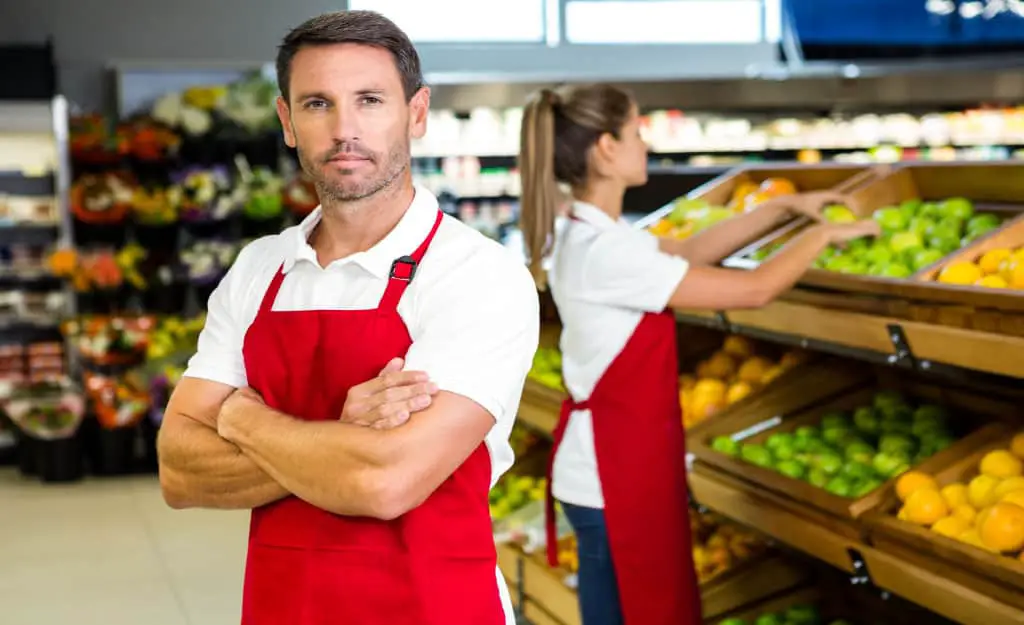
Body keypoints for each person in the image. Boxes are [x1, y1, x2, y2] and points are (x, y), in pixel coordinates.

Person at [156, 11, 539, 625]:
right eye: (317, 103)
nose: (344, 129)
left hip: (434, 606)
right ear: (287, 122)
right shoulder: (260, 268)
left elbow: (383, 482)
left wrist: (238, 415)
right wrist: (338, 429)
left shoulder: (475, 273)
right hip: (283, 607)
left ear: (415, 113)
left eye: (369, 100)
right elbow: (179, 469)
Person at [517, 84, 880, 625]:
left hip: (614, 466)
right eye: (637, 132)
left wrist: (782, 209)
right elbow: (755, 290)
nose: (647, 144)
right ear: (607, 148)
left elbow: (687, 252)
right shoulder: (608, 252)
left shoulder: (591, 235)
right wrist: (823, 236)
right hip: (615, 476)